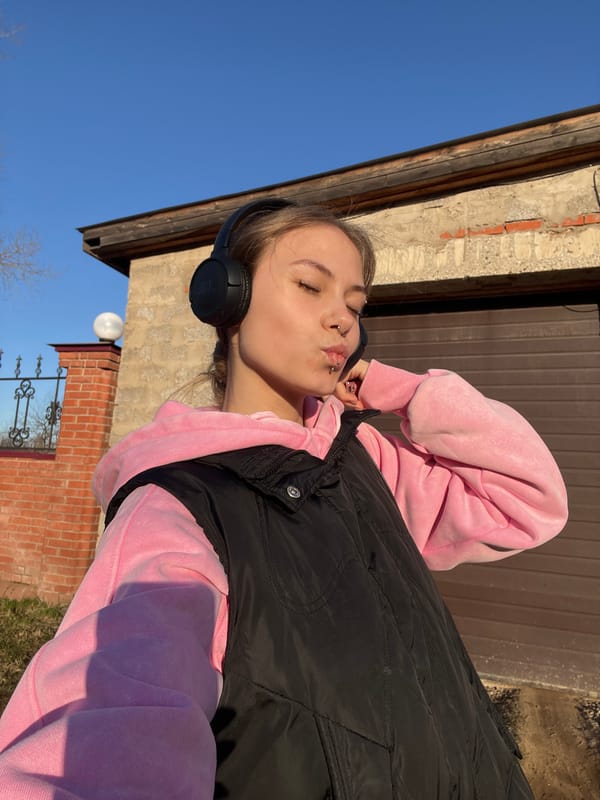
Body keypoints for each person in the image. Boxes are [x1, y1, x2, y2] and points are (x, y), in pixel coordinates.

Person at [0, 197, 568, 799]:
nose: (342, 321)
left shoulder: (364, 457)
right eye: (309, 286)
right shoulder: (177, 509)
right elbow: (105, 726)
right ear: (227, 300)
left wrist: (389, 386)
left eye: (354, 304)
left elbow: (525, 499)